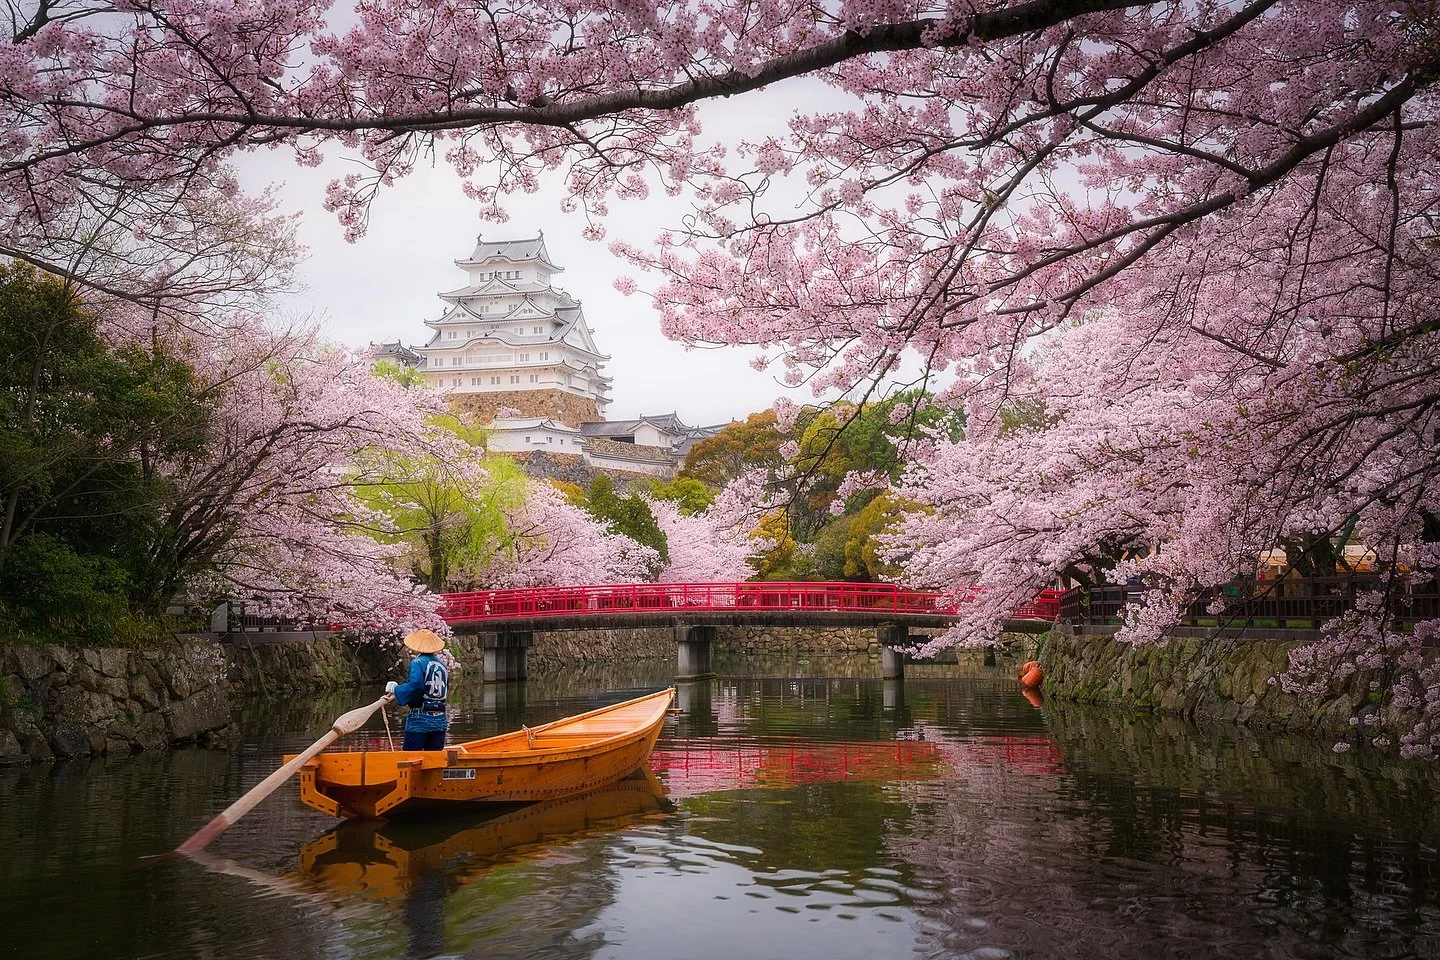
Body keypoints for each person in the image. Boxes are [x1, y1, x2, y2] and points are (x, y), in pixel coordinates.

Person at [386, 628, 450, 751]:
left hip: (420, 720)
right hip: (440, 720)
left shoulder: (418, 663)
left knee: (410, 756)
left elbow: (416, 686)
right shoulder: (443, 666)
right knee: (434, 760)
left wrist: (396, 689)